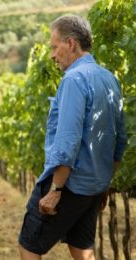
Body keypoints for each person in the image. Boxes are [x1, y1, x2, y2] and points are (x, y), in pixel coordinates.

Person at [18, 15, 127, 259]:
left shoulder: (74, 80)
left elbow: (68, 142)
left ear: (70, 44)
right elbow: (120, 140)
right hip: (94, 187)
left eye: (54, 47)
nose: (52, 55)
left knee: (29, 245)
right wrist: (105, 182)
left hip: (69, 184)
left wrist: (56, 189)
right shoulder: (109, 79)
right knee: (82, 249)